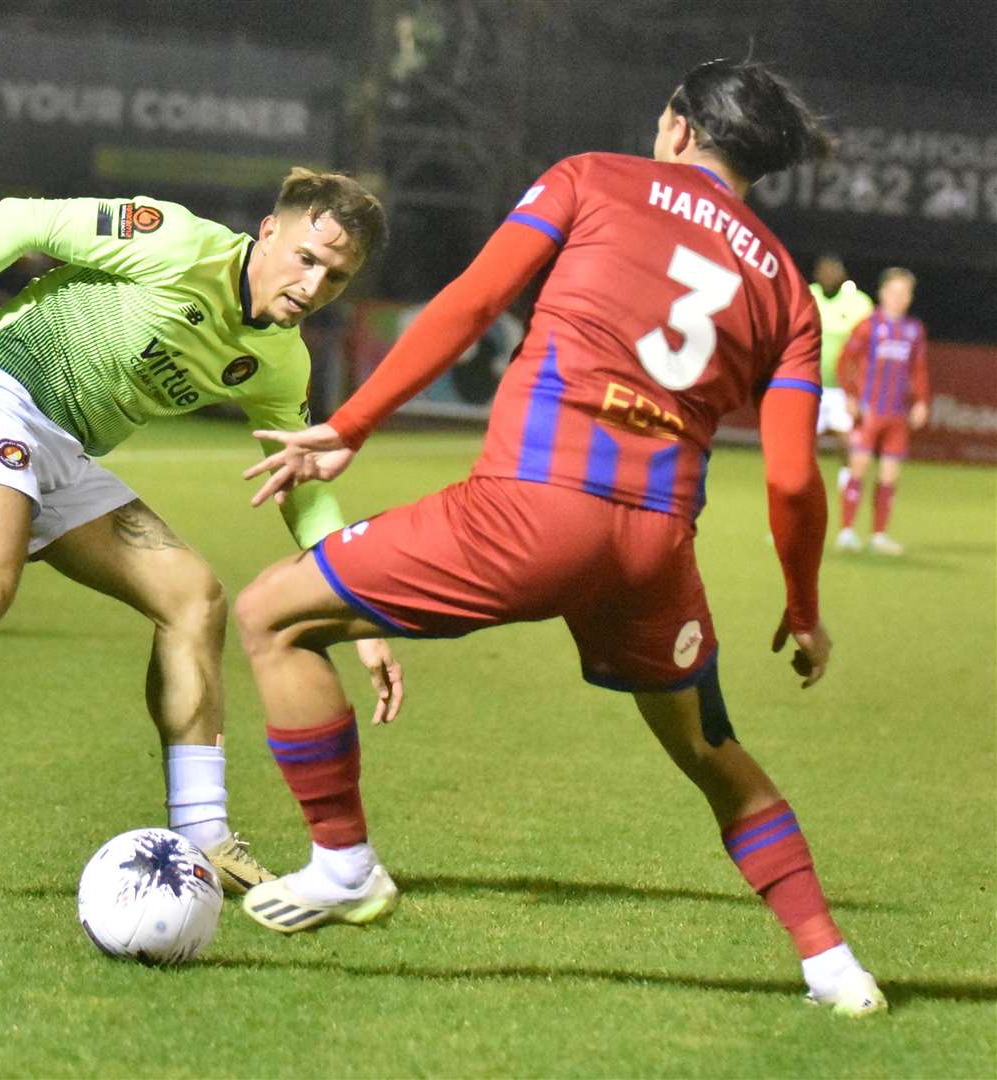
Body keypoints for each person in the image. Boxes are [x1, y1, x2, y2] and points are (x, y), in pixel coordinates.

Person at [233, 59, 888, 1017]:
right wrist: (803, 608)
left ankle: (343, 864)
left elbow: (468, 304)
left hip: (530, 514)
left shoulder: (592, 177)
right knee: (712, 753)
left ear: (676, 126)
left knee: (271, 616)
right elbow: (792, 479)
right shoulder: (786, 287)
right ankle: (835, 968)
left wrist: (352, 424)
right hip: (655, 551)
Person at [0, 168, 402, 895]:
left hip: (61, 451)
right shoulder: (176, 243)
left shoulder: (280, 361)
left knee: (193, 597)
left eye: (337, 277)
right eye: (308, 258)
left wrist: (356, 603)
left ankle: (203, 836)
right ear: (270, 232)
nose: (314, 285)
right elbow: (18, 217)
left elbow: (299, 486)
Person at [835, 267, 929, 556]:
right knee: (858, 469)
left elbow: (919, 369)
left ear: (910, 297)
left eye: (905, 292)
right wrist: (850, 395)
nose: (899, 297)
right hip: (869, 412)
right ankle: (847, 531)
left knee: (889, 476)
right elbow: (844, 363)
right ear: (883, 293)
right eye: (894, 291)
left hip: (897, 414)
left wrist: (922, 401)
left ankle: (878, 536)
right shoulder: (868, 326)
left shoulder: (914, 330)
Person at [809, 253, 873, 488]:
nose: (828, 275)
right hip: (810, 382)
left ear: (842, 273)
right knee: (804, 438)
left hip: (842, 386)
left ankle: (847, 477)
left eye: (833, 270)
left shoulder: (858, 302)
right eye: (823, 271)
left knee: (845, 437)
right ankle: (804, 478)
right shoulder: (809, 295)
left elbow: (868, 346)